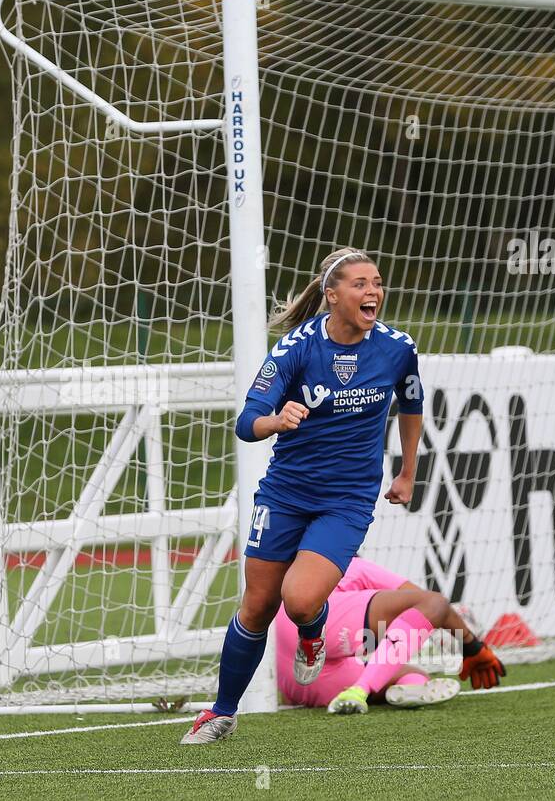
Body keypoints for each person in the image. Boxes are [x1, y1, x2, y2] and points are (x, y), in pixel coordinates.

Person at [182, 246, 427, 744]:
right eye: (360, 284)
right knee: (257, 604)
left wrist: (406, 472)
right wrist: (279, 419)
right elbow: (247, 422)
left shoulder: (398, 347)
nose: (373, 292)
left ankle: (311, 633)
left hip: (348, 498)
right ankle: (220, 714)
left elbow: (412, 404)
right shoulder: (295, 347)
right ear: (332, 295)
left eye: (377, 283)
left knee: (299, 598)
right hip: (285, 493)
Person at [274, 556, 504, 712]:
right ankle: (360, 690)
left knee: (413, 673)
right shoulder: (352, 566)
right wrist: (472, 647)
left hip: (299, 682)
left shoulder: (296, 570)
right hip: (318, 624)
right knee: (434, 603)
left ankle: (408, 686)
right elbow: (433, 606)